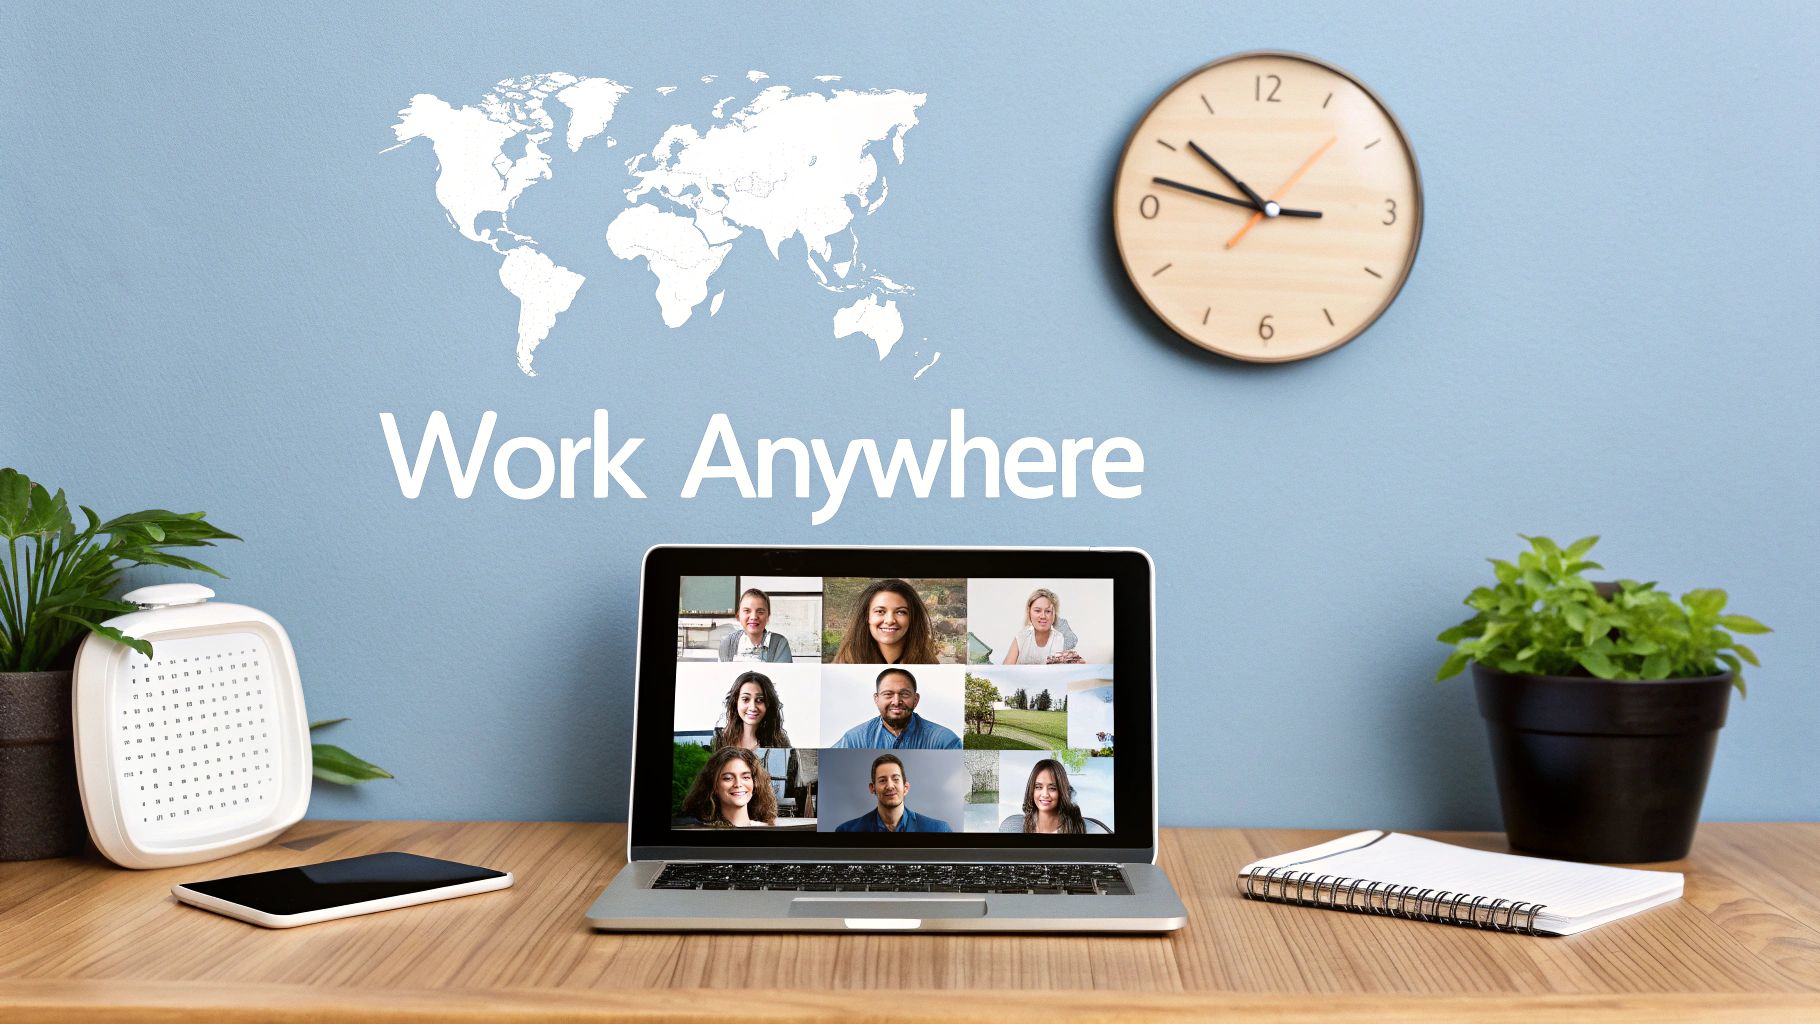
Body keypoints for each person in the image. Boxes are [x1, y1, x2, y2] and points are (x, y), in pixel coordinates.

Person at [831, 667, 961, 749]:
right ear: (876, 699)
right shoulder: (855, 740)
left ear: (916, 700)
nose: (896, 701)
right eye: (888, 694)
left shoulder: (944, 741)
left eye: (904, 694)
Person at [833, 754, 953, 832]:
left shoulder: (939, 830)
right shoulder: (846, 831)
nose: (890, 786)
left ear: (905, 787)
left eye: (895, 779)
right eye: (882, 780)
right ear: (872, 788)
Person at [831, 578, 939, 664]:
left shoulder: (928, 664)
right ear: (867, 616)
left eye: (900, 612)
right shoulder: (845, 664)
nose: (890, 620)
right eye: (880, 611)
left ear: (912, 618)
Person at [680, 747, 777, 827]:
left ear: (755, 783)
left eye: (746, 777)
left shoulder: (770, 828)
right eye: (728, 778)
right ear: (714, 786)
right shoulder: (696, 830)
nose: (738, 784)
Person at [711, 670, 790, 750]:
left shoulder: (779, 743)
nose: (753, 707)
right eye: (745, 699)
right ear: (735, 702)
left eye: (760, 700)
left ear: (769, 704)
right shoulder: (718, 740)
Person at [1002, 587, 1080, 665]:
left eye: (1048, 611)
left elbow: (1077, 668)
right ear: (1029, 612)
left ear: (1054, 613)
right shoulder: (1022, 637)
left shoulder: (1061, 639)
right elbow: (1004, 670)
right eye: (1037, 610)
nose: (1043, 616)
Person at [717, 588, 794, 662]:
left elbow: (781, 674)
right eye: (747, 611)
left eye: (760, 612)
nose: (753, 617)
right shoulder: (727, 643)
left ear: (768, 616)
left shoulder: (779, 644)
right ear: (738, 615)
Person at [1015, 758, 1087, 834]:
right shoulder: (1014, 826)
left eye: (1052, 788)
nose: (1045, 794)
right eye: (1038, 787)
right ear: (1031, 790)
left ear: (1062, 791)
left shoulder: (1080, 828)